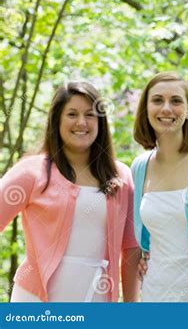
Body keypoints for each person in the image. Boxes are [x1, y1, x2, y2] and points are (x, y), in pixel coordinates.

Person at [1, 81, 141, 302]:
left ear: (100, 122)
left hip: (97, 301)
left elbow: (131, 248)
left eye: (90, 115)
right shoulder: (32, 171)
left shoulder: (121, 177)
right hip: (35, 302)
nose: (81, 123)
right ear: (57, 119)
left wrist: (131, 307)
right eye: (72, 114)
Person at [132, 72, 188, 302]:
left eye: (176, 101)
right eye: (157, 100)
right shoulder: (140, 167)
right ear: (146, 109)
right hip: (155, 293)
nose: (166, 108)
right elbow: (142, 238)